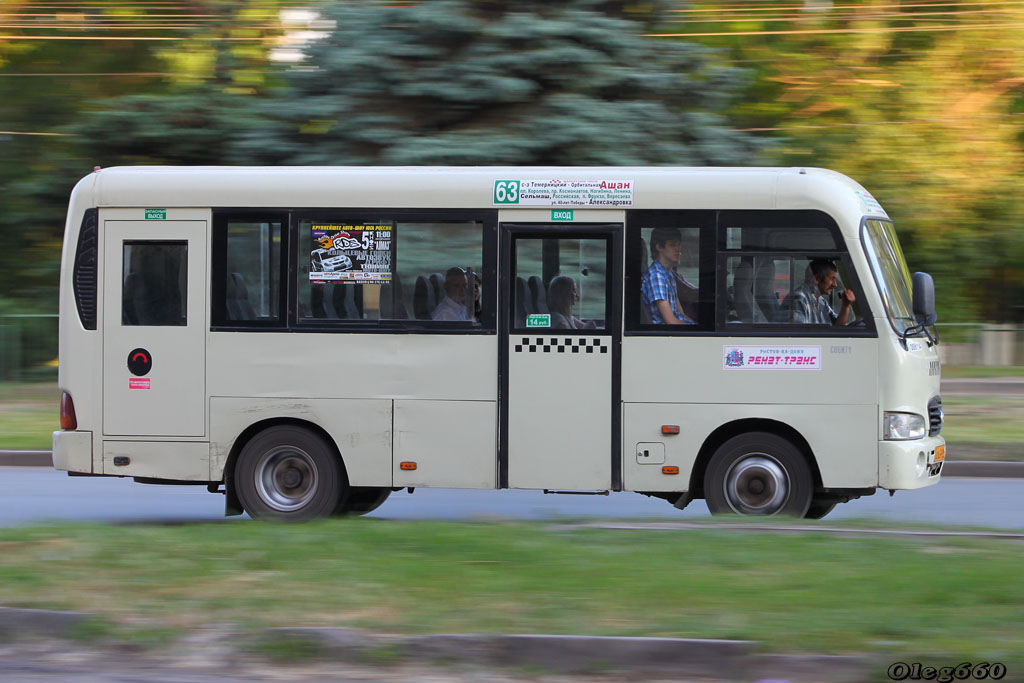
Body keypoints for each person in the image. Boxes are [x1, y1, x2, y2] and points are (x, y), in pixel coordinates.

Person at [641, 227, 695, 325]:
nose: (678, 249)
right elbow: (670, 321)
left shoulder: (669, 274)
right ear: (659, 247)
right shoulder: (656, 277)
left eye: (679, 245)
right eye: (673, 245)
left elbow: (680, 314)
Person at [789, 258, 856, 325]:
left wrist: (846, 305)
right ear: (817, 279)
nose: (835, 284)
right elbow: (797, 333)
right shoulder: (799, 299)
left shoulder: (821, 302)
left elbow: (837, 326)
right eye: (832, 279)